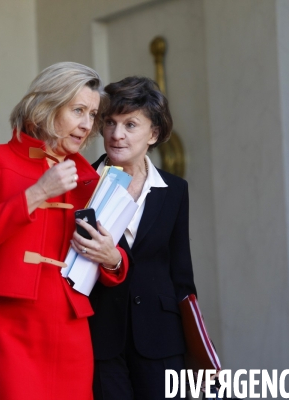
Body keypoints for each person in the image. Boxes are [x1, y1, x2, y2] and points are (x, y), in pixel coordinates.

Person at [0, 62, 128, 400]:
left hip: (70, 329)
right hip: (8, 327)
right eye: (78, 110)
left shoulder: (92, 180)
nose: (86, 124)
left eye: (92, 114)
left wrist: (114, 259)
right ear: (47, 105)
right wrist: (36, 193)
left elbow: (110, 257)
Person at [75, 76, 197, 400]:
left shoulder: (175, 191)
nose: (117, 134)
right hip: (100, 337)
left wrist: (193, 344)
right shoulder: (80, 184)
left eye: (130, 124)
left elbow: (181, 275)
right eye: (110, 123)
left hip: (162, 339)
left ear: (153, 133)